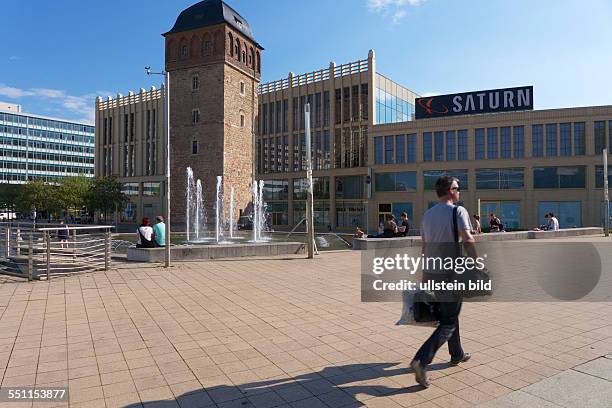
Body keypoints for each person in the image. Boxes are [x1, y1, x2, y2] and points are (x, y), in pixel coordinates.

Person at [410, 175, 474, 388]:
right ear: (450, 190)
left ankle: (457, 354)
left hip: (432, 271)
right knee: (447, 320)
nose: (459, 191)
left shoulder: (427, 215)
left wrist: (424, 275)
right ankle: (421, 360)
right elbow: (467, 239)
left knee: (450, 313)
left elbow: (424, 247)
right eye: (457, 187)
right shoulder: (458, 211)